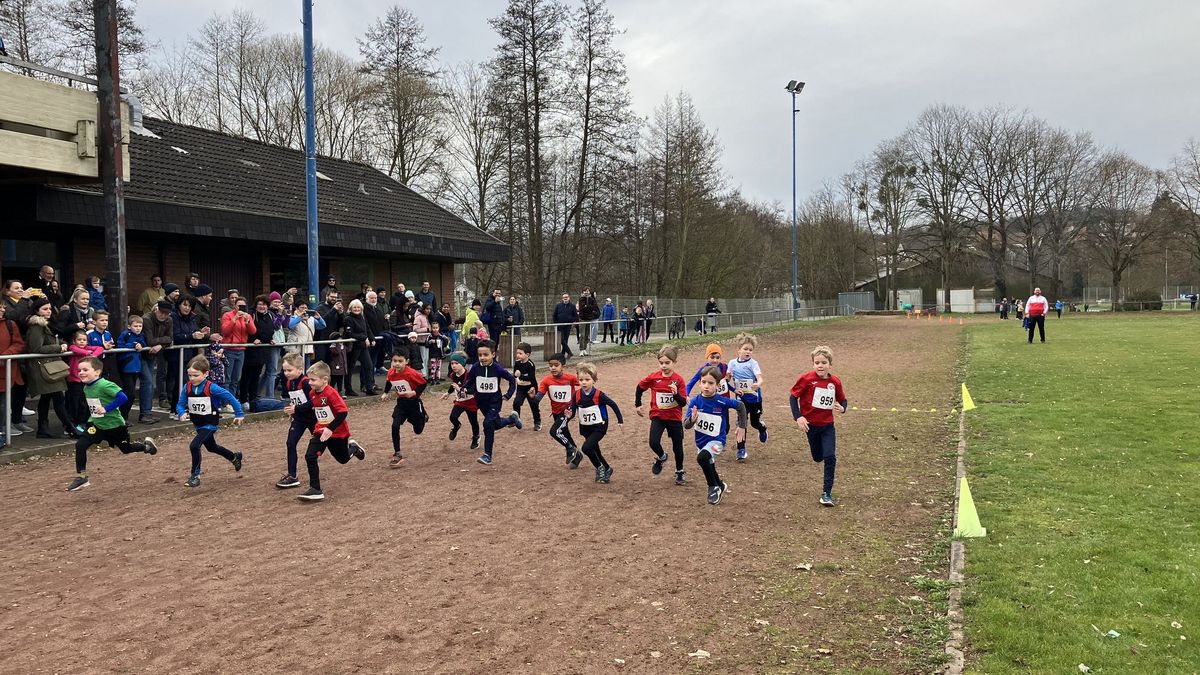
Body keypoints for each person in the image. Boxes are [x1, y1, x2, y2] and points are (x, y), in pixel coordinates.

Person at [65, 357, 159, 492]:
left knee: (126, 449)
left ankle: (147, 447)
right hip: (97, 425)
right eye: (79, 370)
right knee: (80, 445)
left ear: (97, 372)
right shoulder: (86, 387)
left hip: (115, 426)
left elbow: (123, 397)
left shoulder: (104, 385)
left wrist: (106, 409)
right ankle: (82, 476)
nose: (81, 373)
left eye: (85, 370)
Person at [298, 361, 366, 501]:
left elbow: (343, 412)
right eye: (309, 379)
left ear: (325, 380)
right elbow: (316, 410)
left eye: (313, 380)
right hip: (320, 431)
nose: (309, 382)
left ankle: (353, 448)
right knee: (310, 456)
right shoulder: (312, 393)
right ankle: (315, 489)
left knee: (343, 459)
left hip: (337, 433)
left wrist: (330, 429)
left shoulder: (331, 393)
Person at [789, 345, 848, 507]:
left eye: (824, 362)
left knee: (830, 457)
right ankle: (820, 454)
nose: (820, 365)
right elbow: (793, 397)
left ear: (830, 364)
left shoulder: (835, 382)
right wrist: (798, 417)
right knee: (817, 457)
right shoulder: (806, 379)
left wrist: (843, 408)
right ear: (813, 364)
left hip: (828, 426)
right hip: (811, 426)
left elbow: (843, 400)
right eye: (817, 363)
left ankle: (826, 493)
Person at [176, 355, 245, 488]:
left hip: (210, 423)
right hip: (198, 424)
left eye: (195, 375)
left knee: (194, 446)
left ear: (206, 374)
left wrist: (239, 414)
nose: (192, 379)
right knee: (212, 447)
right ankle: (234, 457)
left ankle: (195, 476)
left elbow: (230, 397)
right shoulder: (187, 387)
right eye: (189, 375)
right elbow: (180, 404)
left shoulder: (211, 387)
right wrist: (181, 412)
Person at [685, 366, 746, 505]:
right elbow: (686, 425)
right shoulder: (695, 402)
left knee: (702, 458)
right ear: (699, 383)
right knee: (708, 462)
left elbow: (741, 406)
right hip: (701, 442)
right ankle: (720, 484)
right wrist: (692, 420)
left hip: (717, 440)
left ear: (718, 386)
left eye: (711, 383)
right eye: (703, 382)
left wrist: (742, 426)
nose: (706, 386)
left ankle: (713, 487)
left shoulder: (721, 401)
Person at [634, 344, 688, 485]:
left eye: (667, 363)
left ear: (674, 363)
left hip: (674, 418)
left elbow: (682, 403)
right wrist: (638, 404)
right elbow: (639, 388)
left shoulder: (679, 380)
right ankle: (662, 456)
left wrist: (675, 394)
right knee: (653, 442)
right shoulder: (654, 377)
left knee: (678, 447)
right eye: (661, 363)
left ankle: (680, 471)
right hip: (658, 416)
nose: (664, 366)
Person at [25, 297, 77, 439]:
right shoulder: (36, 325)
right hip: (44, 368)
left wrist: (61, 343)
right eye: (45, 309)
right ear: (37, 311)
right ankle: (71, 428)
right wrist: (58, 347)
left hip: (48, 368)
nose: (48, 311)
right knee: (58, 398)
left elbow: (48, 341)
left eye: (49, 308)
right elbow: (36, 347)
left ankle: (43, 428)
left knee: (47, 398)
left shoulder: (45, 325)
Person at [464, 339, 520, 465]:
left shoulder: (498, 369)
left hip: (495, 402)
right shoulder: (475, 368)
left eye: (486, 355)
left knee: (487, 423)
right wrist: (464, 389)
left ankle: (487, 455)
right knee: (496, 424)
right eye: (480, 355)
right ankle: (511, 419)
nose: (482, 358)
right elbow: (470, 381)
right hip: (481, 402)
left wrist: (508, 395)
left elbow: (512, 380)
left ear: (493, 355)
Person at [569, 361, 622, 483]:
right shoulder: (576, 395)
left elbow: (613, 404)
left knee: (587, 448)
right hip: (585, 427)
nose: (583, 382)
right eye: (581, 379)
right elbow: (573, 409)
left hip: (599, 427)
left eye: (587, 379)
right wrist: (569, 415)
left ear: (594, 380)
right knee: (595, 450)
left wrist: (620, 420)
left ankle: (599, 468)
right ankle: (607, 469)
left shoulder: (599, 395)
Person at [381, 350, 428, 468]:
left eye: (400, 361)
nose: (397, 364)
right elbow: (389, 381)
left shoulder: (411, 373)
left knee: (418, 430)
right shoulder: (391, 372)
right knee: (395, 425)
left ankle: (423, 414)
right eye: (394, 361)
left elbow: (423, 383)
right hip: (401, 403)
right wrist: (385, 393)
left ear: (406, 362)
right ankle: (397, 453)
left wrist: (414, 392)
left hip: (413, 403)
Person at [728, 333, 768, 460]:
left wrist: (758, 384)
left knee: (754, 423)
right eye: (745, 349)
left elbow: (760, 378)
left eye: (750, 350)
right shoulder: (732, 363)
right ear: (738, 349)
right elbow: (727, 377)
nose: (748, 352)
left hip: (754, 399)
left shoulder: (753, 364)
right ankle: (741, 450)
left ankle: (762, 428)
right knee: (741, 424)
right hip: (741, 400)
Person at [277, 352, 314, 489]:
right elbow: (295, 400)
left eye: (289, 370)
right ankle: (292, 475)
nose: (286, 373)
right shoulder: (288, 382)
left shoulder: (306, 383)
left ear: (300, 369)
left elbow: (313, 403)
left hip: (313, 419)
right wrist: (293, 413)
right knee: (290, 443)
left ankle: (349, 449)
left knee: (329, 443)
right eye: (284, 370)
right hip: (299, 419)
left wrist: (296, 409)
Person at [116, 315, 157, 424]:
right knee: (129, 393)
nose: (138, 328)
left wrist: (140, 345)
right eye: (136, 326)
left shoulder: (141, 335)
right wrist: (133, 345)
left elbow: (144, 343)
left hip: (135, 368)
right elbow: (119, 346)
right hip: (126, 367)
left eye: (140, 326)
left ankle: (124, 417)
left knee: (131, 394)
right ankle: (121, 417)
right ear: (129, 326)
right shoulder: (125, 334)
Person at [66, 330, 104, 431]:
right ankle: (71, 424)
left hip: (85, 381)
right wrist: (87, 353)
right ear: (74, 341)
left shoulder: (88, 348)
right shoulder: (74, 348)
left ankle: (82, 422)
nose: (82, 342)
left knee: (84, 403)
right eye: (79, 340)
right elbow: (73, 348)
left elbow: (100, 348)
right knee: (73, 404)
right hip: (74, 380)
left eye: (84, 340)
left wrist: (94, 355)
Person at [442, 353, 480, 450]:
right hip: (460, 401)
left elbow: (473, 390)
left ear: (462, 364)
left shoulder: (469, 375)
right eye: (452, 363)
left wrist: (461, 390)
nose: (453, 366)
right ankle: (456, 426)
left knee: (473, 422)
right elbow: (453, 385)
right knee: (453, 417)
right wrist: (448, 393)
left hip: (471, 401)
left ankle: (476, 437)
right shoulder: (453, 375)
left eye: (456, 363)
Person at [0, 303, 26, 440]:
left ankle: (3, 430)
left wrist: (6, 355)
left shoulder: (10, 325)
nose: (2, 310)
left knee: (4, 403)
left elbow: (19, 343)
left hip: (5, 371)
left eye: (2, 307)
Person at [220, 298, 254, 402]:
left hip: (241, 350)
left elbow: (253, 331)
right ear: (235, 306)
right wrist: (234, 319)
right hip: (229, 349)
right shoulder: (227, 315)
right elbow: (225, 331)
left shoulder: (247, 316)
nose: (241, 308)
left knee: (236, 378)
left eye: (243, 306)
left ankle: (232, 400)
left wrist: (247, 322)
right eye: (239, 305)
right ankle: (226, 402)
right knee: (227, 378)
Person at [343, 299, 377, 396]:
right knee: (350, 368)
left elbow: (368, 329)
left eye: (358, 307)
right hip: (353, 347)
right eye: (355, 307)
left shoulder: (362, 317)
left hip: (363, 347)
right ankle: (348, 389)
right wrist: (364, 338)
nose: (357, 309)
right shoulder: (348, 319)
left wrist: (372, 338)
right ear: (350, 308)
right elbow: (350, 333)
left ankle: (369, 388)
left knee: (369, 366)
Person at [146, 300, 173, 409]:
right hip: (147, 352)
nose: (163, 315)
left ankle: (163, 398)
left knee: (163, 373)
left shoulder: (169, 320)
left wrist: (161, 345)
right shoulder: (147, 319)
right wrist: (163, 342)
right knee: (148, 381)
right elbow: (150, 341)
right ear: (157, 310)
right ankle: (148, 409)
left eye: (166, 313)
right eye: (161, 312)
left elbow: (170, 338)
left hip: (161, 350)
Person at [511, 342, 542, 432]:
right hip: (520, 387)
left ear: (527, 354)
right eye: (517, 353)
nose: (518, 355)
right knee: (516, 403)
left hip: (530, 388)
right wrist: (515, 375)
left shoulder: (530, 365)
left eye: (520, 353)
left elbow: (531, 377)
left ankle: (537, 422)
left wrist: (520, 375)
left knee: (534, 405)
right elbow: (515, 374)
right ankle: (516, 420)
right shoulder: (517, 363)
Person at [286, 300, 325, 369]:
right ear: (297, 309)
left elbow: (322, 326)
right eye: (302, 307)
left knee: (307, 368)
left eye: (305, 307)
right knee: (295, 368)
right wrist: (300, 318)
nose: (304, 309)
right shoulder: (293, 317)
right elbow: (290, 326)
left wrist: (319, 318)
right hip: (296, 349)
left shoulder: (311, 319)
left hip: (307, 348)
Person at [553, 292, 579, 359]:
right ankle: (569, 352)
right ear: (562, 298)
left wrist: (571, 320)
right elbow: (554, 315)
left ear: (569, 298)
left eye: (566, 297)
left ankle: (563, 354)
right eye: (564, 297)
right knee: (561, 340)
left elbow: (575, 316)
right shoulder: (558, 306)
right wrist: (556, 323)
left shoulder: (572, 306)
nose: (565, 299)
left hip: (567, 325)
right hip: (560, 325)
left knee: (565, 340)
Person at [577, 287, 599, 356]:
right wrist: (587, 307)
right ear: (583, 292)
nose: (586, 292)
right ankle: (581, 349)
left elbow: (593, 307)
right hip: (582, 318)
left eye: (588, 291)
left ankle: (584, 349)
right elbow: (582, 308)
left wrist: (587, 306)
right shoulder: (581, 299)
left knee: (587, 335)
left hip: (589, 318)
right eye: (585, 291)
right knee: (582, 335)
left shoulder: (591, 299)